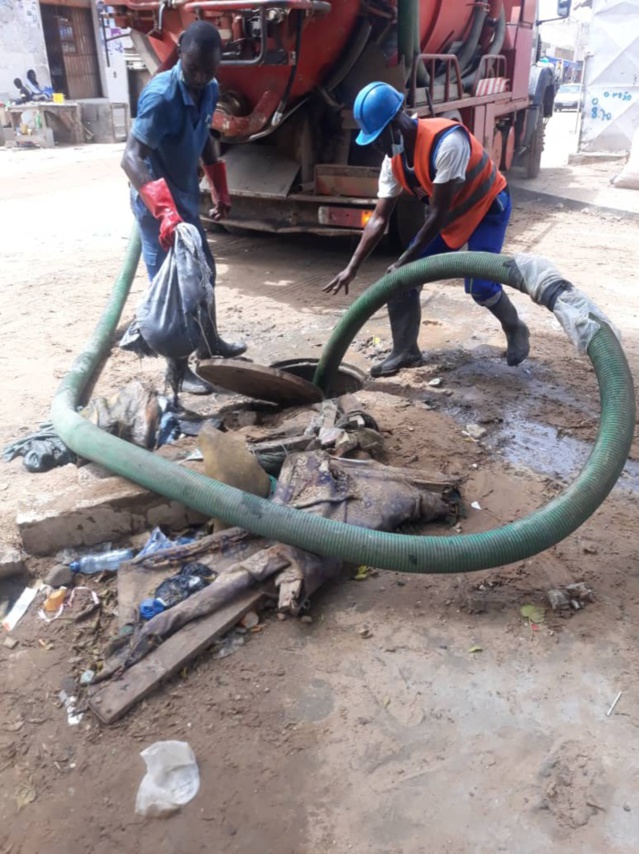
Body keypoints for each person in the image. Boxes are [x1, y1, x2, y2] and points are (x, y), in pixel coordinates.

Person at [324, 81, 529, 378]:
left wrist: (404, 261)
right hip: (450, 216)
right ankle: (406, 351)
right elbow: (379, 220)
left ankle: (514, 326)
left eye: (379, 138)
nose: (379, 147)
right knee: (399, 281)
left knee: (481, 286)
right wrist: (352, 268)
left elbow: (437, 214)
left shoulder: (447, 142)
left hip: (486, 207)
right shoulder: (392, 161)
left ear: (396, 122)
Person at [121, 20, 246, 395]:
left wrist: (220, 188)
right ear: (180, 57)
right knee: (175, 290)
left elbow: (205, 136)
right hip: (157, 210)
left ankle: (210, 344)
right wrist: (163, 212)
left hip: (186, 202)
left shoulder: (209, 87)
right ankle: (177, 371)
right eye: (193, 68)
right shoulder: (161, 97)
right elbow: (130, 158)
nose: (200, 76)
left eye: (209, 69)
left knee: (204, 273)